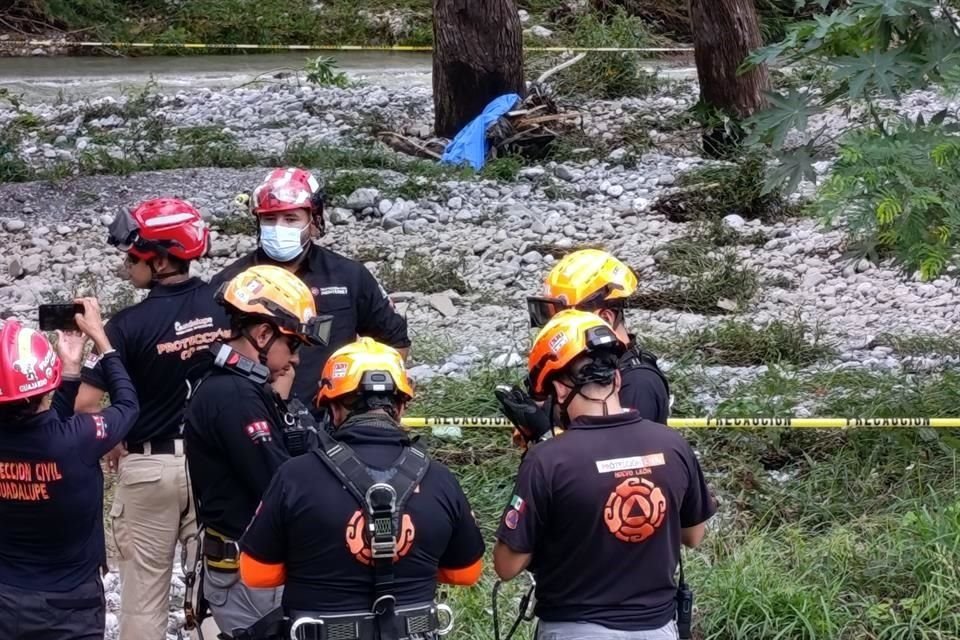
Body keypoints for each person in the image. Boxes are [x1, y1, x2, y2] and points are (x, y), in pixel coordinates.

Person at [237, 337, 485, 640]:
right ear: (401, 405)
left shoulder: (295, 477)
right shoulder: (439, 479)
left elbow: (256, 573)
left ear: (334, 407)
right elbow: (467, 572)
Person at [493, 310, 715, 640]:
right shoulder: (672, 445)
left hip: (573, 629)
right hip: (658, 629)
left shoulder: (548, 460)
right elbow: (694, 536)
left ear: (560, 389)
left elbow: (507, 566)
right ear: (617, 378)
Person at [73, 197, 230, 640]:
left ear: (161, 259)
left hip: (147, 467)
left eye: (134, 255)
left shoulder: (124, 327)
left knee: (143, 600)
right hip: (215, 464)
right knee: (216, 592)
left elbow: (85, 405)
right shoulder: (226, 306)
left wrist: (117, 438)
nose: (127, 264)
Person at [183, 264, 334, 638]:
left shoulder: (237, 388)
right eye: (293, 344)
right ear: (264, 333)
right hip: (250, 578)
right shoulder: (235, 397)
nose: (296, 359)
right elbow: (281, 485)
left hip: (245, 567)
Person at [0, 300, 140, 639]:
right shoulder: (78, 440)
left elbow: (43, 422)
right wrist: (103, 342)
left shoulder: (70, 438)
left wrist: (72, 371)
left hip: (6, 596)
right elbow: (127, 405)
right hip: (69, 606)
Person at [211, 168, 411, 406]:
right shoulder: (231, 282)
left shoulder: (348, 276)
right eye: (269, 219)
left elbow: (394, 343)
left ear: (314, 221)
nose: (279, 227)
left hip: (331, 420)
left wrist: (366, 404)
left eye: (291, 219)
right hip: (254, 416)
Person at [497, 249, 671, 448]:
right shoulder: (587, 368)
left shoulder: (638, 384)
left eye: (568, 319)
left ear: (605, 318)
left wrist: (544, 439)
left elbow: (613, 465)